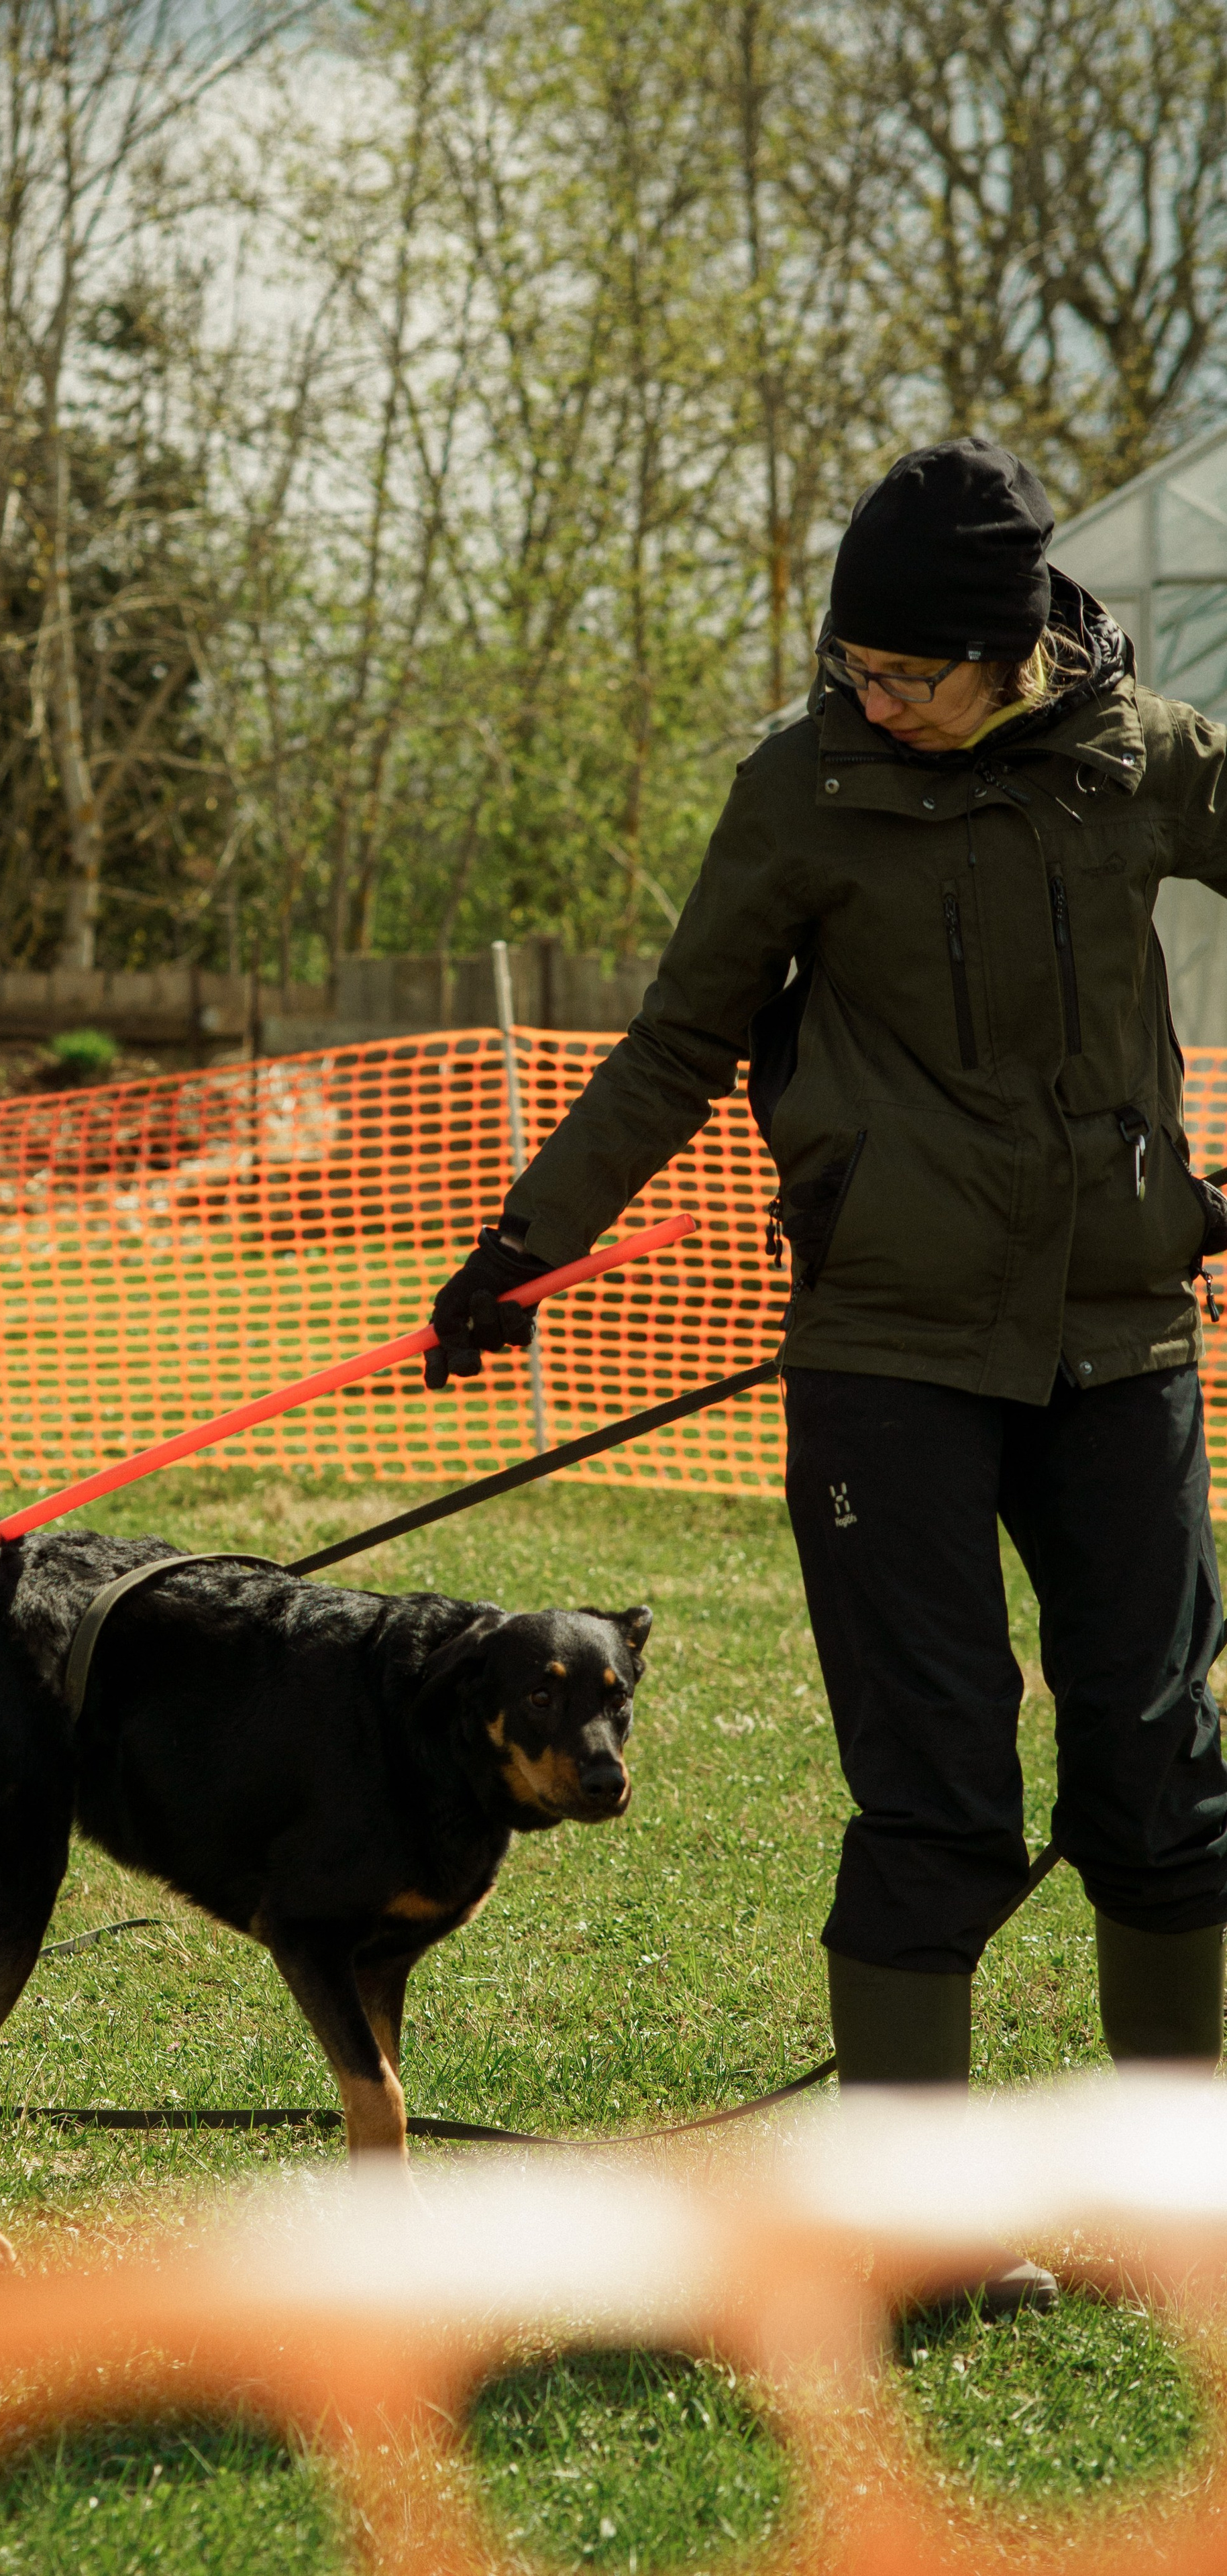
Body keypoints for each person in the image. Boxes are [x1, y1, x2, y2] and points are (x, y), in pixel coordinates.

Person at [425, 438, 1227, 2307]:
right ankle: (922, 2234)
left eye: (909, 673)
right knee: (937, 1785)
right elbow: (678, 1040)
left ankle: (1178, 2196)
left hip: (1121, 1338)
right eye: (853, 663)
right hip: (891, 1354)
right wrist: (525, 1244)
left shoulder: (1141, 759)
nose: (873, 698)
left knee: (1160, 1771)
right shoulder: (804, 789)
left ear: (1013, 648)